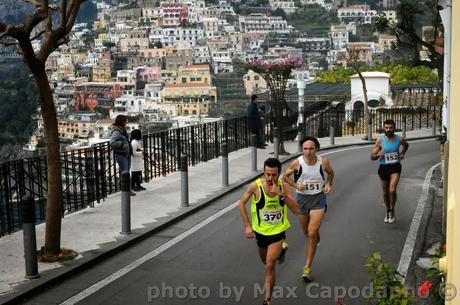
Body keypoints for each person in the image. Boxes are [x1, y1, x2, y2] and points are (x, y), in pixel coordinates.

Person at [239, 158, 300, 305]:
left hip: (277, 232)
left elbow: (296, 210)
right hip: (260, 233)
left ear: (279, 173)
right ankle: (281, 252)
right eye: (268, 174)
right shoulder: (256, 186)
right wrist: (247, 225)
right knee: (266, 264)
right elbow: (241, 203)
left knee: (270, 264)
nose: (271, 178)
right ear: (264, 172)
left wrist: (281, 194)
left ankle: (267, 300)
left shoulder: (284, 186)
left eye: (274, 175)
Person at [282, 136, 334, 282]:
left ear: (316, 148)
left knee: (311, 232)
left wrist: (329, 184)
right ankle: (315, 235)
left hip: (318, 199)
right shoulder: (297, 163)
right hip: (302, 200)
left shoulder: (323, 162)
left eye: (311, 148)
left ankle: (307, 267)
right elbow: (285, 177)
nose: (308, 151)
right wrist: (296, 185)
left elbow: (331, 174)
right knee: (306, 231)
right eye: (305, 148)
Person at [371, 119, 409, 224]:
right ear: (384, 128)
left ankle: (392, 210)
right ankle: (387, 210)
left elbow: (406, 145)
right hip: (383, 167)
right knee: (385, 192)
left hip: (395, 166)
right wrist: (379, 154)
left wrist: (402, 153)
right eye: (386, 128)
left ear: (394, 128)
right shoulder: (380, 140)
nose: (388, 130)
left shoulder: (399, 139)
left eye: (391, 128)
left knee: (392, 190)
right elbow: (372, 156)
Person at [110, 115, 135, 196]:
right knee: (125, 173)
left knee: (126, 172)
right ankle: (126, 191)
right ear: (122, 121)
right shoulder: (117, 131)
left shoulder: (122, 130)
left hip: (126, 153)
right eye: (125, 121)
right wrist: (122, 145)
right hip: (122, 154)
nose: (126, 123)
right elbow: (112, 143)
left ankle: (126, 190)